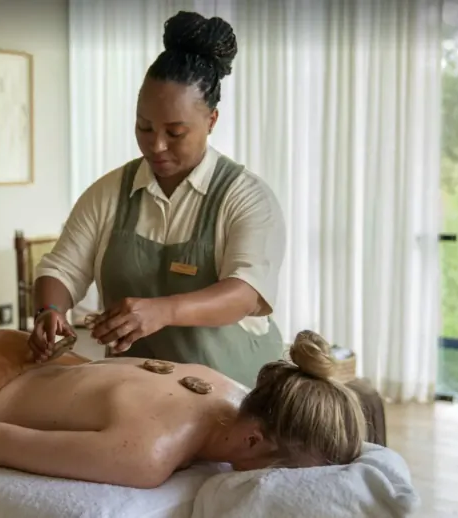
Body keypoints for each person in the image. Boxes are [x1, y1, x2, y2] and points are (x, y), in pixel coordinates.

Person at [0, 329, 365, 518]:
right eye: (286, 470)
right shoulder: (147, 455)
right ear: (253, 438)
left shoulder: (221, 384)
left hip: (2, 350)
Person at [30, 11, 287, 388]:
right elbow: (61, 269)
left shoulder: (247, 197)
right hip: (137, 395)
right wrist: (50, 310)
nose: (157, 145)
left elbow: (246, 294)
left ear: (211, 121)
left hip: (235, 395)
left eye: (176, 132)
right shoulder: (109, 193)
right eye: (144, 127)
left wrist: (163, 310)